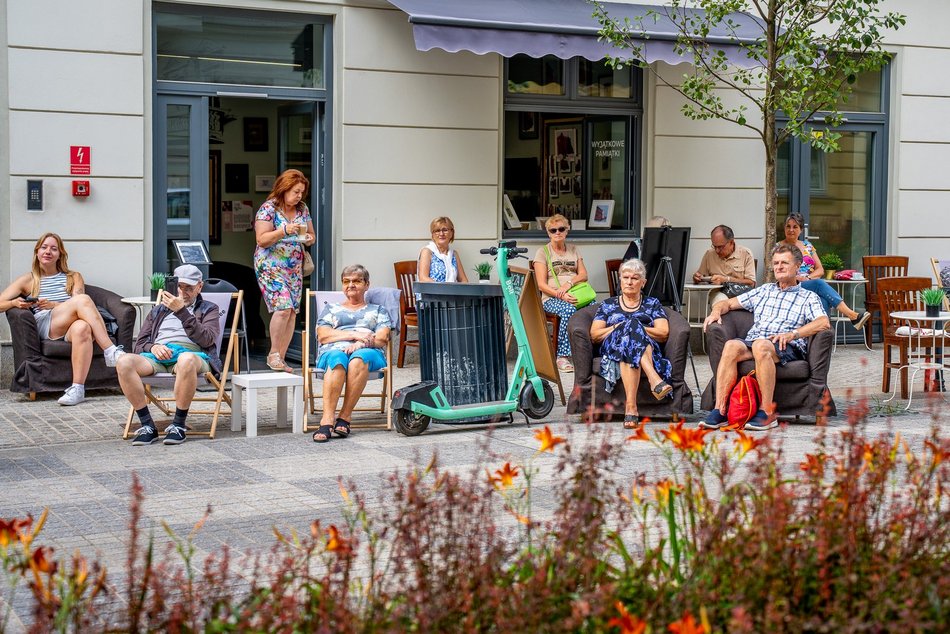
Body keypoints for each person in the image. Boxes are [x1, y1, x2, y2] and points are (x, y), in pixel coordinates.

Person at [700, 243, 830, 431]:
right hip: (756, 342)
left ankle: (767, 412)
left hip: (787, 344)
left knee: (761, 345)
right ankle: (720, 409)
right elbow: (728, 304)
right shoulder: (764, 291)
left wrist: (794, 334)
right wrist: (715, 311)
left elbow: (823, 322)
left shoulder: (807, 297)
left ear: (797, 266)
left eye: (784, 263)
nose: (779, 267)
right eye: (776, 263)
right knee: (731, 346)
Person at [0, 233, 126, 405]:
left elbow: (79, 303)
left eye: (54, 248)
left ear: (60, 254)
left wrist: (54, 304)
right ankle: (111, 351)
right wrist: (16, 302)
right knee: (83, 301)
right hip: (47, 324)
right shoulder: (28, 279)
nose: (48, 251)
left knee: (82, 328)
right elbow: (1, 303)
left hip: (70, 324)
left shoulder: (73, 277)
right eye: (44, 247)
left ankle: (77, 389)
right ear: (37, 252)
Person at [118, 265, 222, 446]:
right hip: (158, 355)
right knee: (124, 361)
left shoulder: (209, 309)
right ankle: (148, 426)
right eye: (179, 287)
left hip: (193, 355)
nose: (182, 292)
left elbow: (206, 340)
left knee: (186, 359)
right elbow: (140, 344)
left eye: (188, 288)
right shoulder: (158, 310)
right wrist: (153, 347)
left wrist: (181, 311)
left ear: (200, 287)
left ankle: (178, 425)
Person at [312, 264, 392, 443]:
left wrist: (361, 343)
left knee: (358, 359)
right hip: (333, 350)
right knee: (337, 359)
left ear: (367, 284)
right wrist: (354, 335)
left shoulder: (378, 311)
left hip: (369, 352)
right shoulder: (330, 309)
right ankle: (327, 419)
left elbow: (382, 338)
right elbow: (323, 335)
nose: (351, 285)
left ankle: (345, 417)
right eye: (346, 281)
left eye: (356, 281)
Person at [590, 258, 673, 429]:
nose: (629, 282)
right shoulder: (607, 305)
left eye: (634, 278)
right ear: (620, 280)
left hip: (646, 346)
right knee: (629, 329)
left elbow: (663, 333)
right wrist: (618, 327)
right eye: (625, 277)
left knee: (632, 331)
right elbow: (595, 335)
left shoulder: (652, 304)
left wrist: (634, 328)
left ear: (643, 283)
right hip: (613, 347)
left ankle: (631, 407)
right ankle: (654, 379)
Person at [254, 169, 316, 372]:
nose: (299, 196)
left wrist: (308, 239)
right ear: (284, 188)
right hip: (270, 265)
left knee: (291, 312)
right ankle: (273, 354)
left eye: (301, 192)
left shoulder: (302, 209)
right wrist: (284, 230)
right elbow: (261, 239)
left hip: (293, 266)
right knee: (282, 308)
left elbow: (312, 235)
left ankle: (280, 357)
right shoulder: (268, 209)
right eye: (296, 191)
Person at [780, 212, 870, 330]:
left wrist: (808, 278)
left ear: (801, 230)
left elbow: (820, 269)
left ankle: (822, 337)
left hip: (808, 282)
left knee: (823, 300)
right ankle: (852, 315)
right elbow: (780, 271)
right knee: (820, 283)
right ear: (784, 228)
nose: (791, 230)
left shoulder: (807, 245)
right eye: (788, 226)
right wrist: (795, 277)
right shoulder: (779, 247)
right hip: (791, 285)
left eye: (795, 227)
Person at [533, 214, 589, 373]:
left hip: (576, 293)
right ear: (548, 233)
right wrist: (561, 294)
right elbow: (541, 284)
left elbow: (584, 275)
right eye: (553, 230)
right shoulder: (542, 252)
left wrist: (569, 283)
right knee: (569, 310)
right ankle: (562, 356)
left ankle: (587, 350)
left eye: (561, 229)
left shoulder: (573, 249)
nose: (557, 232)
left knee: (595, 309)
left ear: (567, 230)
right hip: (551, 298)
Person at [692, 225, 757, 304]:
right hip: (718, 294)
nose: (717, 251)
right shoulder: (709, 254)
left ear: (731, 242)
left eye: (720, 247)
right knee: (720, 301)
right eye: (714, 246)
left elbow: (751, 283)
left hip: (740, 295)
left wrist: (726, 280)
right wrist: (696, 278)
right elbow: (701, 277)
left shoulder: (745, 254)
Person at [417, 216, 469, 283]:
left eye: (445, 230)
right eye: (437, 231)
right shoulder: (427, 251)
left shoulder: (454, 254)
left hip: (452, 292)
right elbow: (423, 278)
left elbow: (463, 280)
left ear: (451, 233)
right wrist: (443, 289)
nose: (441, 234)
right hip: (432, 292)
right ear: (433, 235)